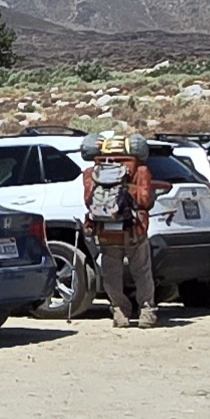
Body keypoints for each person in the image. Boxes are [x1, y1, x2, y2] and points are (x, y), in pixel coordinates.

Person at [82, 134, 160, 328]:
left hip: (106, 232)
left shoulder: (92, 172)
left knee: (111, 275)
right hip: (134, 230)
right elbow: (143, 200)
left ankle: (120, 313)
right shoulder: (140, 171)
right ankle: (147, 313)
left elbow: (88, 200)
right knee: (142, 272)